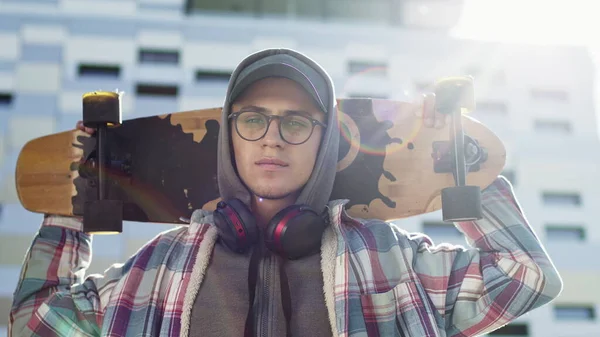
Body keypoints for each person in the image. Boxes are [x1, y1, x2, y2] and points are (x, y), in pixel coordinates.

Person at [9, 48, 562, 337]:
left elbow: (527, 277)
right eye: (253, 119)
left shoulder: (391, 260)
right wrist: (71, 204)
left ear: (324, 142)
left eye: (297, 122)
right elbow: (34, 324)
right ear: (231, 137)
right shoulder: (158, 268)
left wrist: (456, 167)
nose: (272, 137)